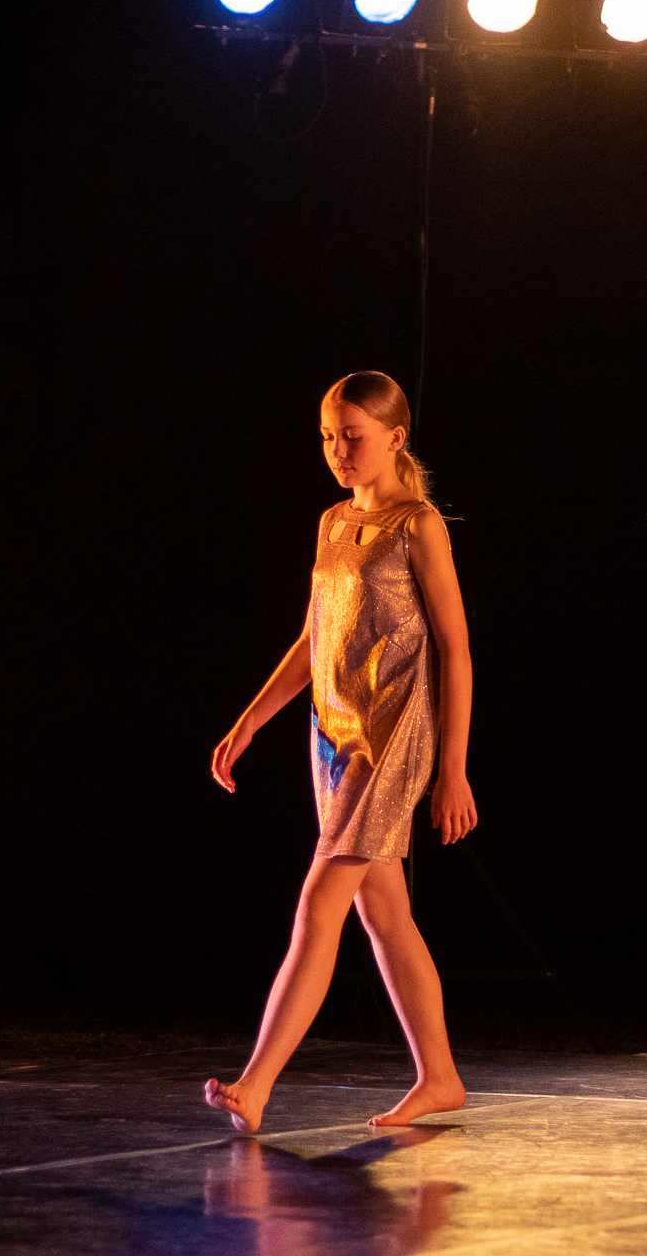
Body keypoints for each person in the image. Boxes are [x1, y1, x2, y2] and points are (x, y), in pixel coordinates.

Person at [203, 372, 474, 1133]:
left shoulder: (418, 526)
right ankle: (440, 1076)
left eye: (352, 436)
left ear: (395, 437)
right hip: (333, 734)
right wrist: (251, 719)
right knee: (383, 910)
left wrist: (452, 770)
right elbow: (313, 639)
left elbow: (455, 649)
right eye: (328, 436)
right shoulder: (330, 522)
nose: (338, 450)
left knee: (320, 903)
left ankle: (256, 1084)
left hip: (391, 740)